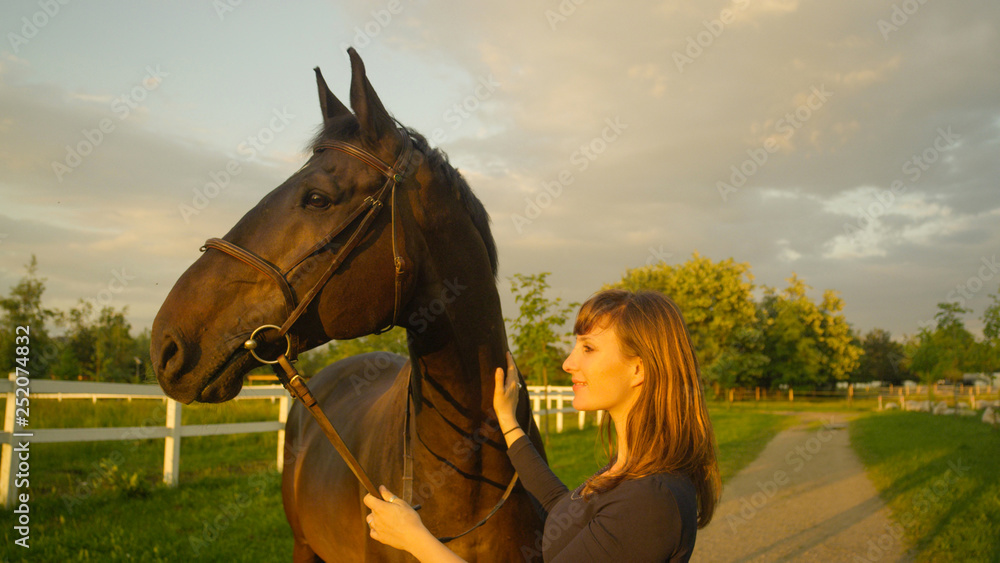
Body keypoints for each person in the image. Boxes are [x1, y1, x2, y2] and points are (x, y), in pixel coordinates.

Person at [364, 289, 721, 562]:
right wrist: (507, 419)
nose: (568, 363)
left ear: (639, 369)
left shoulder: (650, 500)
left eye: (588, 349)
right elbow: (562, 504)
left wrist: (415, 540)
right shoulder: (628, 473)